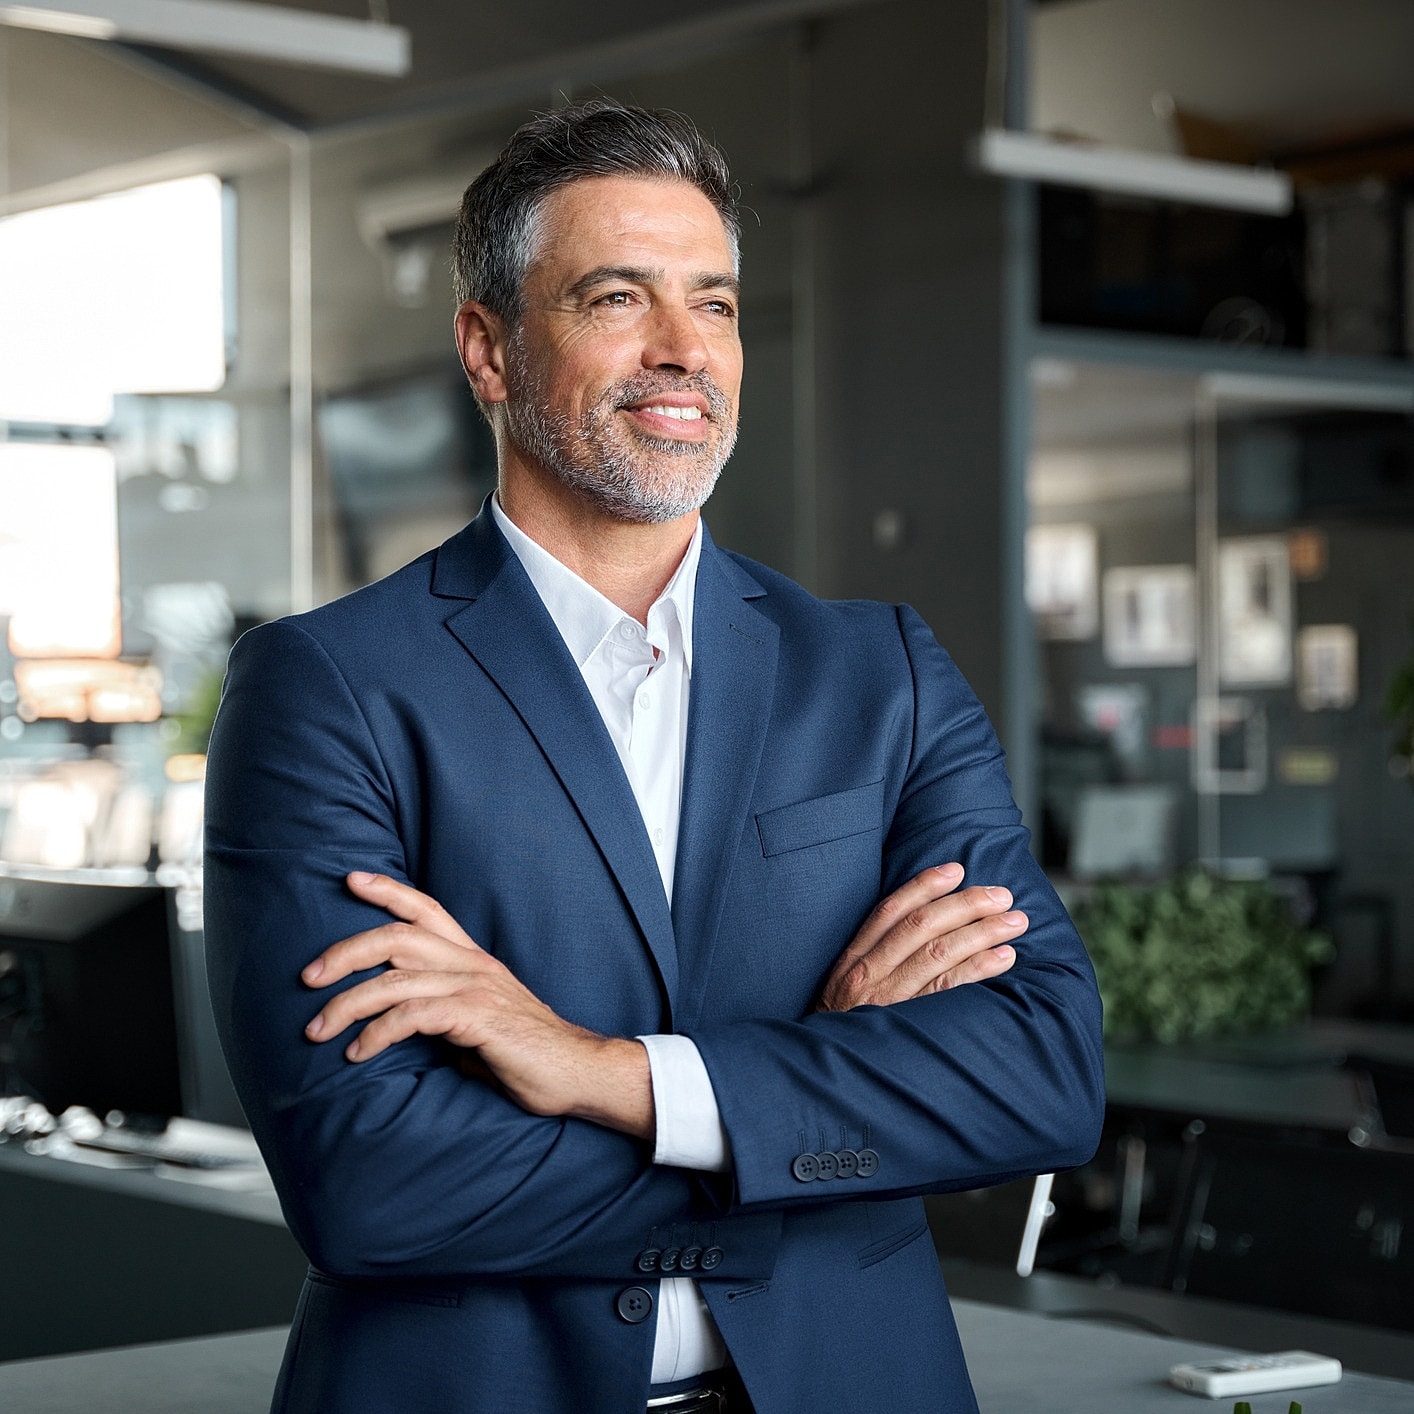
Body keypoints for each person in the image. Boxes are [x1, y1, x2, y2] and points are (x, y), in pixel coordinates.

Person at [204, 100, 1104, 1414]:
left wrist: (602, 1071)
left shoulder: (878, 674)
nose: (684, 349)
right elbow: (373, 1186)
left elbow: (1040, 1073)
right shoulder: (331, 688)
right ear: (490, 349)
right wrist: (810, 1096)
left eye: (717, 304)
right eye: (616, 297)